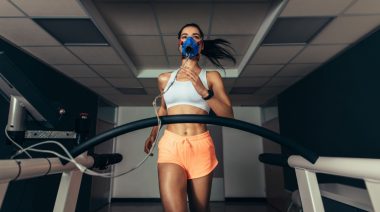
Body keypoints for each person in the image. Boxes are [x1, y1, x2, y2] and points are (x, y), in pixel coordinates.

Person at [144, 23, 235, 212]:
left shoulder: (211, 77)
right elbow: (163, 110)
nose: (190, 39)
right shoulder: (164, 79)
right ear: (180, 44)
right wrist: (153, 134)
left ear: (200, 45)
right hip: (171, 145)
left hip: (201, 147)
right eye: (185, 36)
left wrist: (204, 93)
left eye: (195, 36)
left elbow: (228, 116)